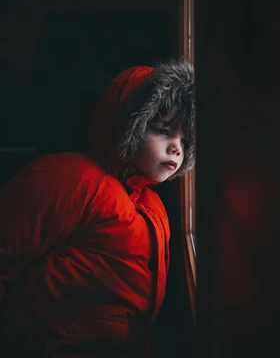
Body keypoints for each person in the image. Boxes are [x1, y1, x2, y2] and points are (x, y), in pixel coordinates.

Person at [0, 59, 195, 356]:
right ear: (128, 125)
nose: (176, 148)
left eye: (183, 138)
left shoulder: (152, 206)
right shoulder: (69, 178)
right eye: (163, 131)